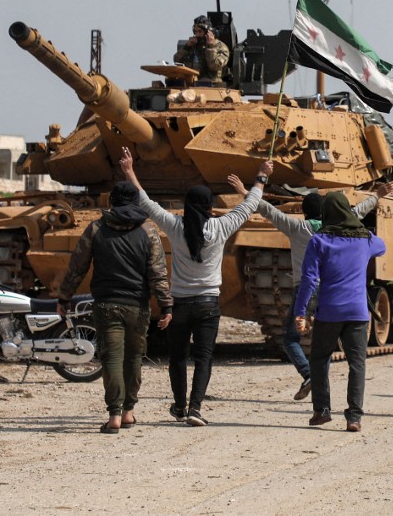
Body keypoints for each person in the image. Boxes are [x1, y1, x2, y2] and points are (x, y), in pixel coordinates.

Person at [120, 147, 272, 427]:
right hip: (208, 305)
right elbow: (250, 205)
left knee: (178, 358)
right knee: (203, 358)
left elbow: (146, 203)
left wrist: (129, 170)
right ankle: (195, 409)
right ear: (209, 207)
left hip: (179, 304)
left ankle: (179, 407)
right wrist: (261, 176)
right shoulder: (221, 226)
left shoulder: (175, 226)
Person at [231, 179, 393, 400]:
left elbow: (270, 211)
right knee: (327, 345)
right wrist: (377, 195)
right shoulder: (336, 229)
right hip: (330, 292)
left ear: (303, 211)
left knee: (291, 339)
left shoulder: (297, 228)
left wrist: (246, 193)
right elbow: (357, 211)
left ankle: (310, 376)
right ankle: (341, 402)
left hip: (305, 291)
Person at [57, 181, 173, 433]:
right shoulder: (148, 231)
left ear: (112, 202)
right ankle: (129, 411)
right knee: (133, 357)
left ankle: (114, 416)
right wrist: (166, 305)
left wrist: (64, 297)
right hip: (137, 305)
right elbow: (157, 273)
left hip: (106, 304)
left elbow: (77, 267)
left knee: (111, 357)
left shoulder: (96, 228)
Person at [294, 191, 386, 432]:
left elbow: (309, 279)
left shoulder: (319, 240)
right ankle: (354, 416)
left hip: (329, 312)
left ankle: (322, 410)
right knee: (357, 363)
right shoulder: (365, 239)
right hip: (357, 312)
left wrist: (300, 311)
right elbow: (382, 247)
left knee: (320, 359)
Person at [173, 14, 230, 82]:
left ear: (207, 32)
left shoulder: (220, 47)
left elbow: (214, 66)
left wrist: (210, 47)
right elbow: (176, 60)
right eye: (195, 31)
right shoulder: (193, 44)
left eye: (200, 31)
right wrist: (187, 47)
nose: (197, 35)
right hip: (191, 83)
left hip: (212, 86)